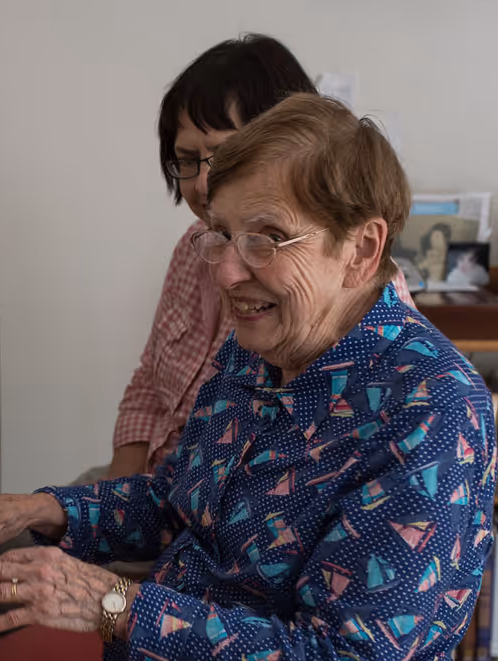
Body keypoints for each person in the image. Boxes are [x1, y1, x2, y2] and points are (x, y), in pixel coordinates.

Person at [0, 95, 494, 661]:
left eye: (266, 237)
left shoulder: (431, 409)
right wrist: (42, 508)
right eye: (220, 234)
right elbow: (179, 504)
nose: (228, 272)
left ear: (359, 249)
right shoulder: (259, 346)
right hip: (177, 634)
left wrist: (112, 605)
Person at [109, 36, 415, 480]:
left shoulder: (376, 332)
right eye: (187, 159)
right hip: (157, 494)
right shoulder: (195, 246)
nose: (203, 185)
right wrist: (111, 510)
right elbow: (149, 387)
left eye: (227, 156)